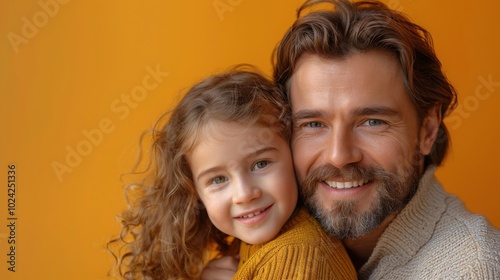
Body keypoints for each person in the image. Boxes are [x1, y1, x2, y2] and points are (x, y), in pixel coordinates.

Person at [202, 0, 500, 279]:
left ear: (428, 130)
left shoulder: (474, 268)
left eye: (372, 122)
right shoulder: (270, 227)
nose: (338, 155)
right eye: (313, 124)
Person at [108, 67, 356, 279]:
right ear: (195, 193)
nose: (244, 194)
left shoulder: (299, 258)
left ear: (292, 151)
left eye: (260, 164)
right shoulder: (255, 244)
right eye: (218, 179)